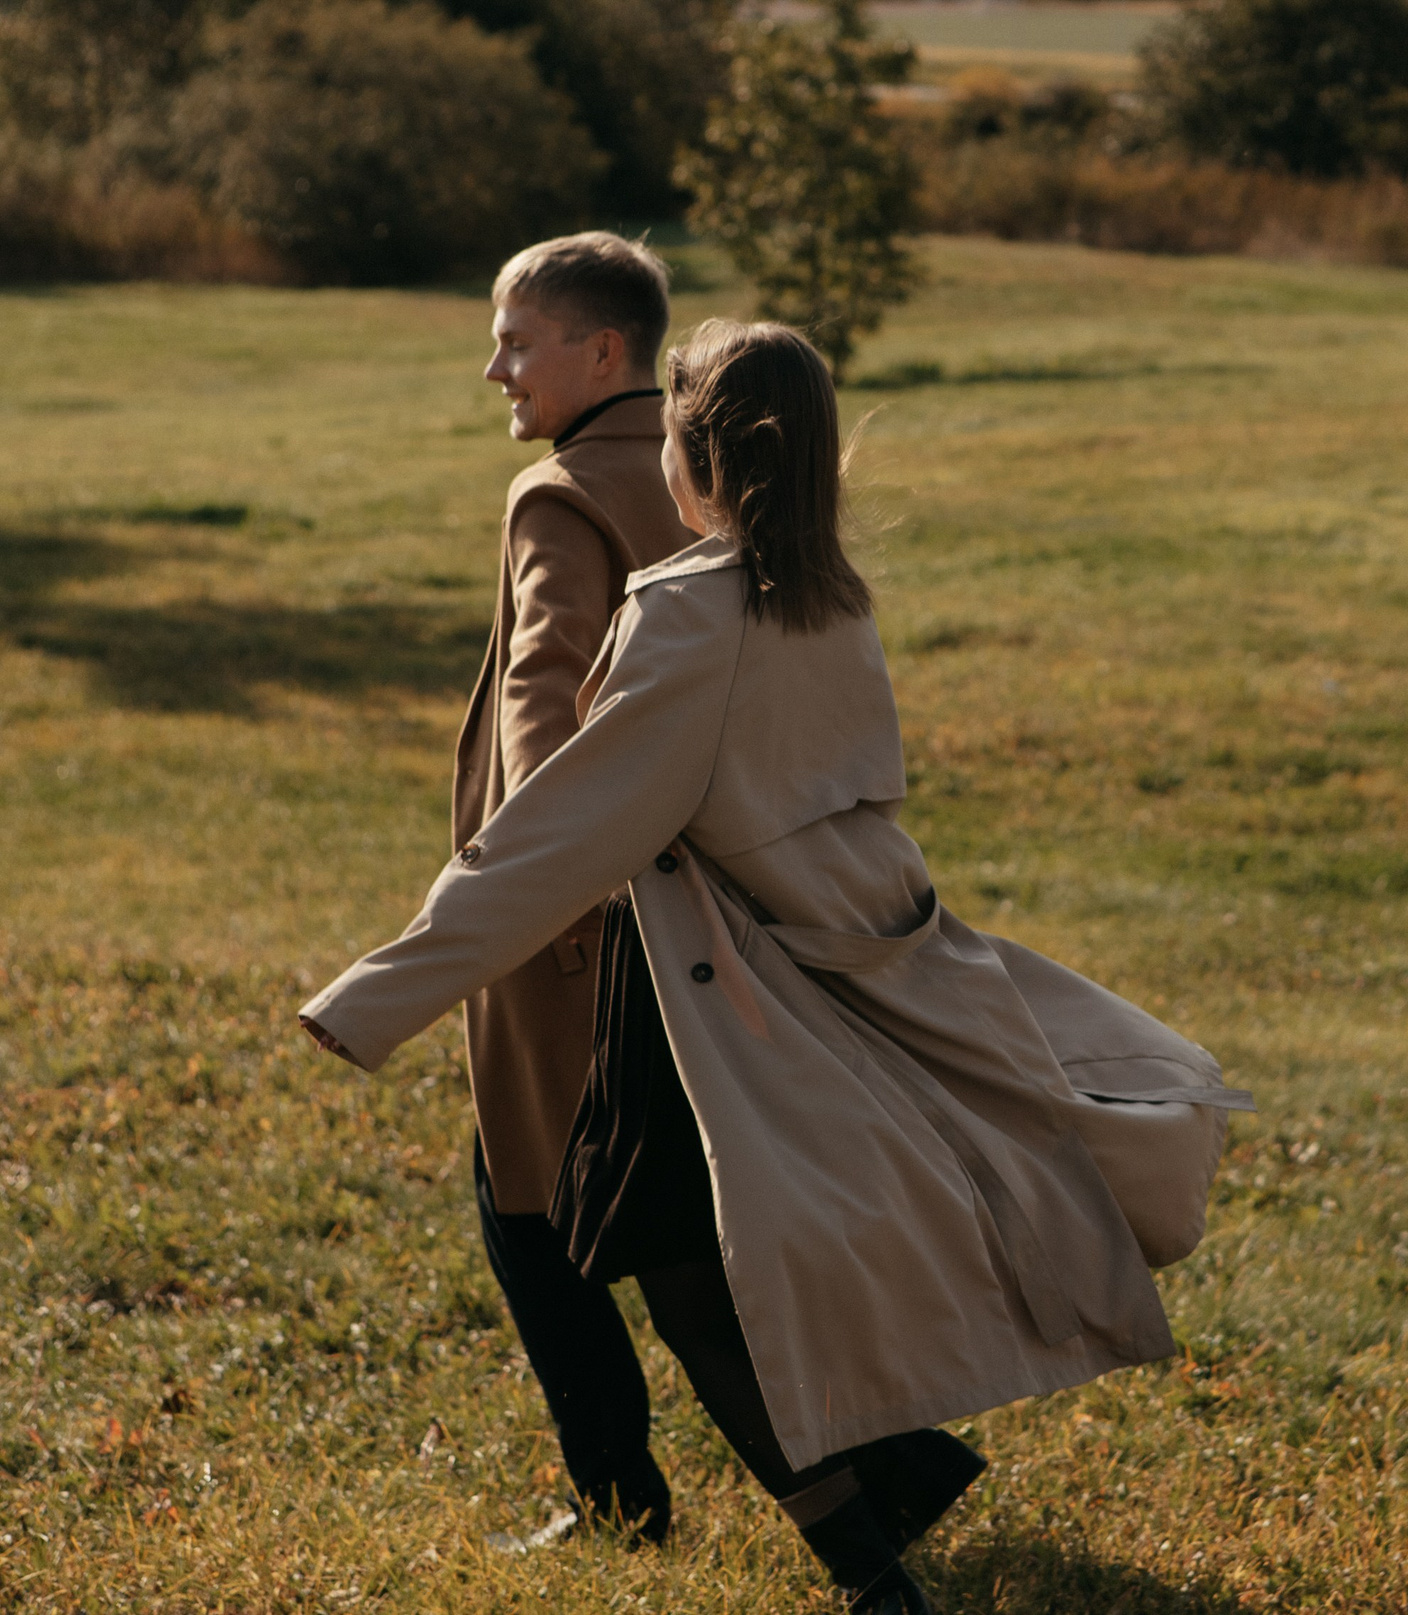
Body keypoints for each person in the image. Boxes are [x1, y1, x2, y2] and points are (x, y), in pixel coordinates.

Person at [297, 320, 1247, 1611]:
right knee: (683, 1266)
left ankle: (874, 1558)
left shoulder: (688, 614)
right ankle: (888, 1506)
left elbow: (566, 833)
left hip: (702, 1007)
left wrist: (376, 993)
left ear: (697, 455)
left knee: (688, 1278)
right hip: (807, 975)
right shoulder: (828, 593)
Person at [458, 232, 698, 1540]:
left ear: (601, 351)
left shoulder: (561, 493)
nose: (495, 367)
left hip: (573, 922)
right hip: (700, 901)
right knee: (685, 1203)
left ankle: (619, 1502)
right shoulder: (709, 471)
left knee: (527, 1202)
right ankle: (877, 1466)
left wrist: (553, 867)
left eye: (515, 339)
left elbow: (543, 683)